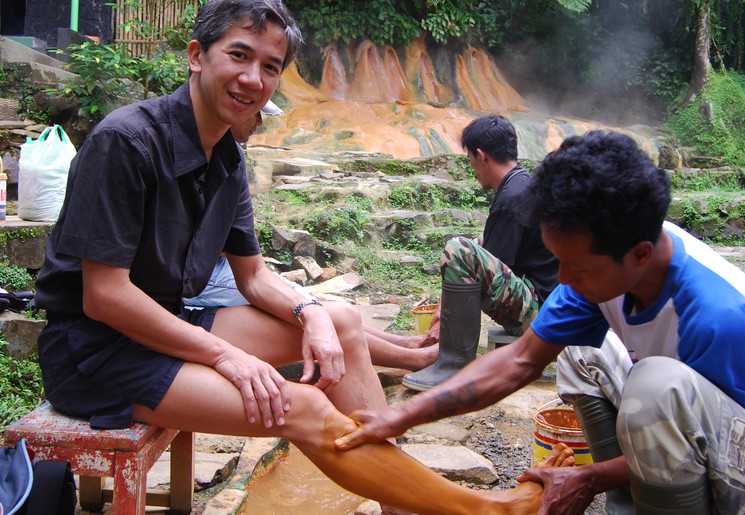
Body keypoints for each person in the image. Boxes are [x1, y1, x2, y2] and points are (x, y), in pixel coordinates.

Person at [32, 1, 573, 512]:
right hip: (95, 352)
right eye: (239, 55)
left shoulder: (226, 156)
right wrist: (227, 357)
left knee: (339, 321)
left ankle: (395, 500)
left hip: (167, 320)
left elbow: (254, 277)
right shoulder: (126, 141)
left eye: (270, 66)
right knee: (307, 408)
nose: (253, 78)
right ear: (198, 56)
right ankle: (489, 509)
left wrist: (311, 312)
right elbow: (104, 297)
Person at [336, 130, 745, 514]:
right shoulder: (612, 257)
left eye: (576, 266)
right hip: (690, 416)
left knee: (655, 387)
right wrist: (400, 416)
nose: (563, 279)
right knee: (581, 354)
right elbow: (520, 360)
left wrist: (586, 477)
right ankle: (631, 501)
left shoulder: (716, 318)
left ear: (639, 255)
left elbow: (701, 438)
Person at [184, 103, 439, 372]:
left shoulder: (230, 159)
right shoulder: (192, 156)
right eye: (255, 113)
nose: (259, 122)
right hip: (205, 280)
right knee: (315, 311)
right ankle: (413, 358)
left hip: (225, 270)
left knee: (308, 301)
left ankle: (407, 343)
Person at [402, 114, 558, 391]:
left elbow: (485, 271)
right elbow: (489, 252)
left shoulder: (512, 197)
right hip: (547, 302)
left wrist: (444, 318)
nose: (473, 169)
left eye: (471, 160)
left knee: (458, 250)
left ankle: (454, 364)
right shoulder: (521, 183)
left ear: (481, 155)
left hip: (541, 314)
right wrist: (443, 306)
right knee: (477, 243)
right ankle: (451, 359)